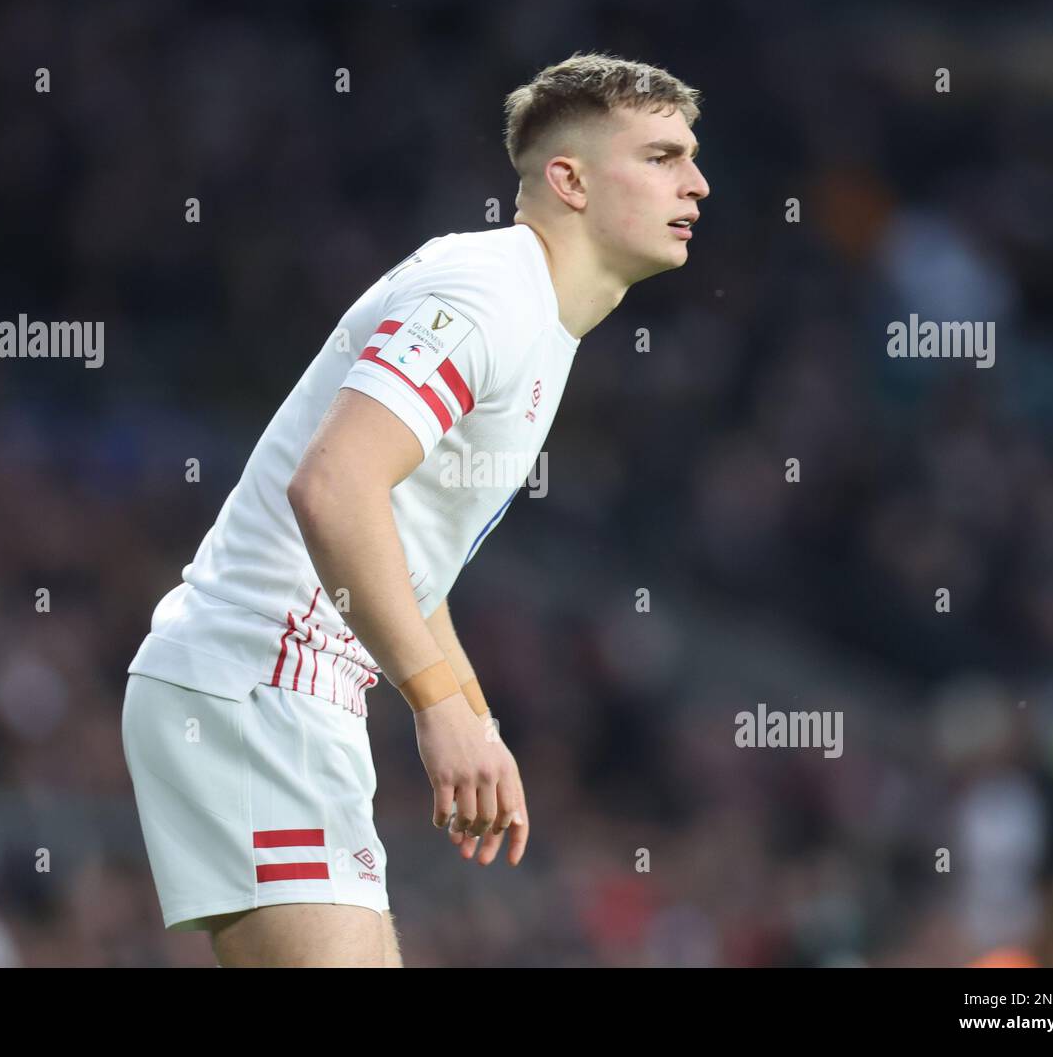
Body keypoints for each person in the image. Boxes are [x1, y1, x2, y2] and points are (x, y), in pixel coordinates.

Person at [120, 50, 709, 967]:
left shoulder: (540, 319)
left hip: (277, 684)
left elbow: (392, 534)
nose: (698, 183)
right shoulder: (488, 290)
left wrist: (473, 714)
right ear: (570, 179)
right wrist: (434, 704)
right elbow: (333, 486)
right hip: (257, 674)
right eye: (664, 156)